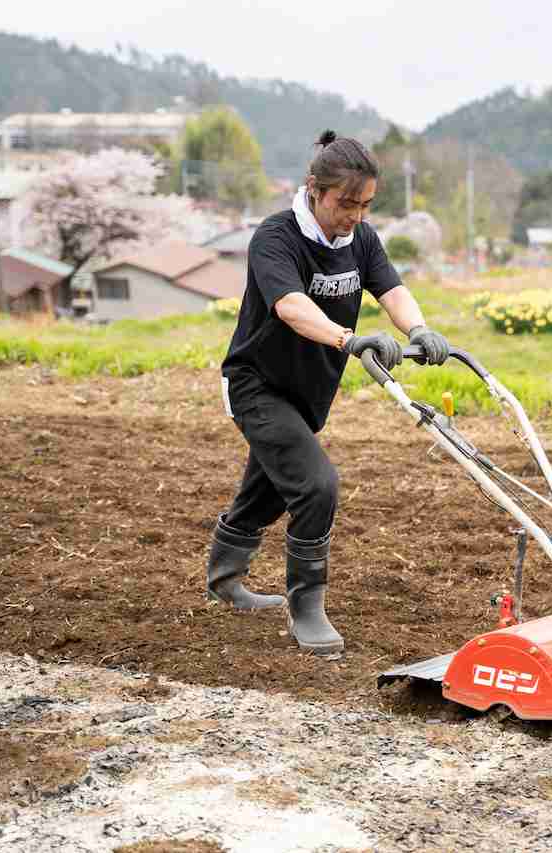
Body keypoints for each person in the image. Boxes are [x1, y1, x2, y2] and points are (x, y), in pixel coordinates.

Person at [206, 130, 450, 658]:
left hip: (309, 390)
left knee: (271, 485)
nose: (355, 215)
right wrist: (348, 338)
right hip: (257, 384)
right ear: (314, 189)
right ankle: (307, 606)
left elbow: (391, 289)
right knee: (316, 485)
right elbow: (291, 306)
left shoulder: (360, 239)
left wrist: (419, 330)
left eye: (365, 205)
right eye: (346, 203)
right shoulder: (275, 238)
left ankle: (225, 577)